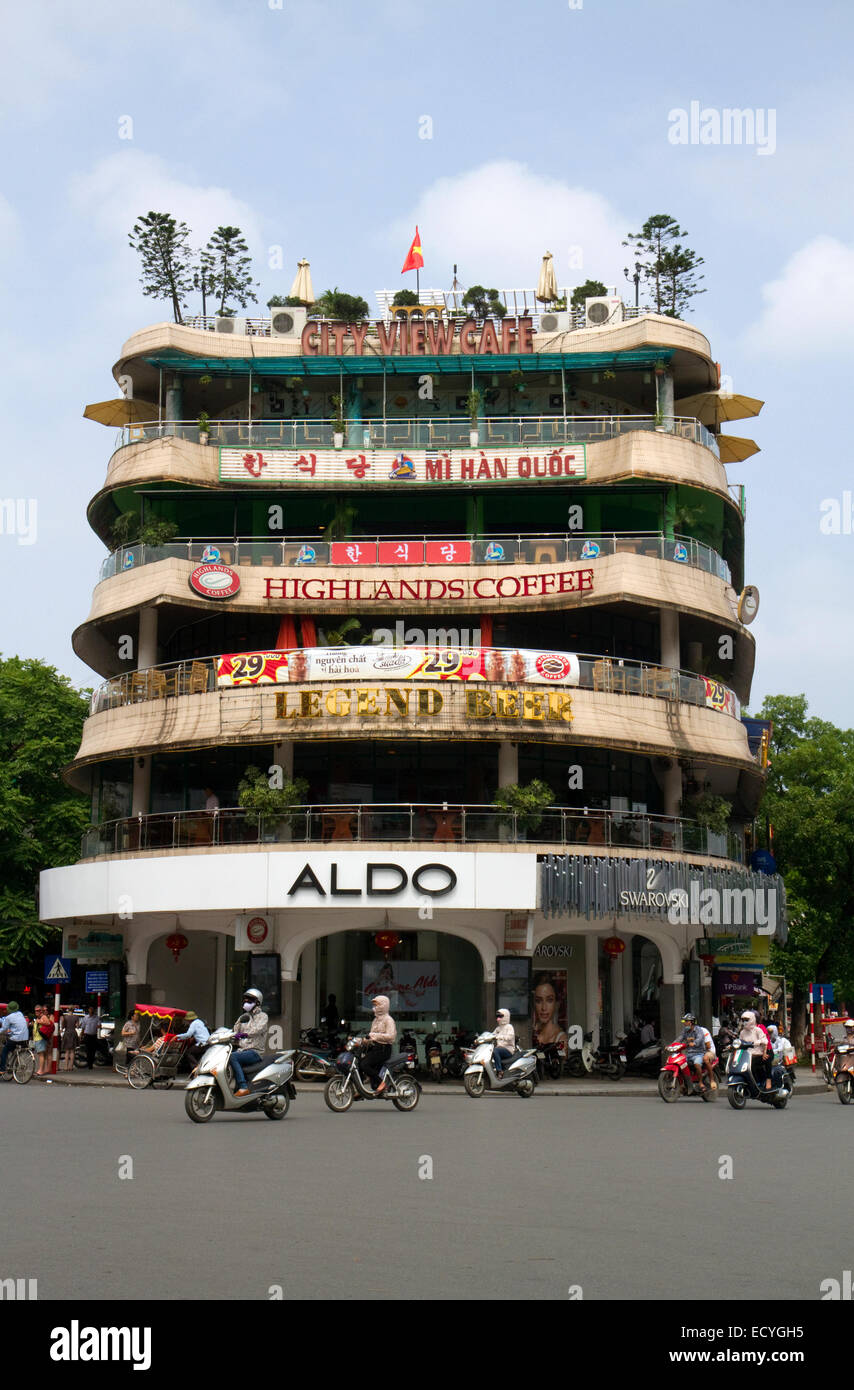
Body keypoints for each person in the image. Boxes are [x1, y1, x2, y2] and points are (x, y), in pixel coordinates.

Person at [231, 988, 269, 1096]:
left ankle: (243, 1087)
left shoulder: (263, 1017)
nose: (246, 1003)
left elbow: (257, 1030)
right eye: (245, 1001)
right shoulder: (244, 1016)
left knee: (232, 1057)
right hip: (242, 1050)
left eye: (249, 1001)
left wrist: (244, 1034)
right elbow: (235, 1031)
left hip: (254, 1052)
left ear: (257, 1002)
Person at [361, 994, 396, 1094]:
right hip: (375, 1048)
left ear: (384, 1005)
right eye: (374, 1005)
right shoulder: (375, 1020)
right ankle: (360, 1088)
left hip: (384, 1049)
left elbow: (391, 1036)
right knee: (359, 1063)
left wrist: (374, 1036)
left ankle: (381, 1083)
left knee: (365, 1064)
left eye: (377, 1005)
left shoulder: (388, 1020)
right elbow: (371, 1036)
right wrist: (364, 1040)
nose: (375, 1007)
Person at [672, 1013, 713, 1091]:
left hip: (698, 1053)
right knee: (680, 1063)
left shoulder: (698, 1030)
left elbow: (700, 1038)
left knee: (697, 1064)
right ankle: (684, 1083)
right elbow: (680, 1038)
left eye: (686, 1021)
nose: (684, 1023)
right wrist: (672, 1045)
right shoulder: (685, 1030)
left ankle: (700, 1082)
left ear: (691, 1022)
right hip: (688, 1053)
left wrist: (694, 1043)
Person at [531, 973, 569, 1052]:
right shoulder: (533, 1034)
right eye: (538, 1001)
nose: (544, 1008)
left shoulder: (560, 1038)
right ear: (534, 1003)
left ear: (556, 1004)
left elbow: (561, 1063)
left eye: (549, 1000)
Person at [737, 1010, 770, 1088]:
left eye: (747, 1020)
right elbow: (740, 1042)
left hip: (757, 1054)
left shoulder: (757, 1030)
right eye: (743, 1020)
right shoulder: (742, 1032)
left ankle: (759, 1081)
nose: (745, 1022)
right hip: (746, 1055)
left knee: (752, 1066)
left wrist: (758, 1044)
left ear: (752, 1019)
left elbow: (765, 1041)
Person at [0, 1001, 30, 1073]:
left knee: (4, 1051)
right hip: (25, 1037)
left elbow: (4, 1028)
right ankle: (13, 1065)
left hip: (16, 1038)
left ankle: (2, 1069)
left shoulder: (8, 1017)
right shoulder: (20, 1014)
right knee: (12, 1048)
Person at [493, 1008, 516, 1076]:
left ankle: (499, 1070)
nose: (498, 1018)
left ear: (506, 1016)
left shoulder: (509, 1027)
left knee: (495, 1051)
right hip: (500, 1049)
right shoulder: (498, 1028)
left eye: (500, 1016)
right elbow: (492, 1035)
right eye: (498, 1016)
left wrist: (500, 1037)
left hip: (508, 1050)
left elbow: (510, 1037)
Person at [80, 1005, 100, 1070]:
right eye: (90, 1009)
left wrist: (98, 1027)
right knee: (88, 1050)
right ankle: (89, 1064)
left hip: (94, 1035)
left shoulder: (97, 1018)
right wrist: (81, 1035)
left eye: (92, 1009)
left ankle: (91, 1063)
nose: (91, 1011)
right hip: (87, 1035)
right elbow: (83, 1027)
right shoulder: (85, 1018)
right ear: (88, 1010)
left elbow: (99, 1025)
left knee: (93, 1050)